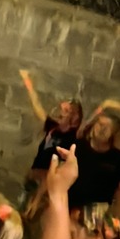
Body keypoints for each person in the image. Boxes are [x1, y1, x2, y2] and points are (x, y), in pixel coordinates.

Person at [19, 70, 83, 205]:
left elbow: (54, 171)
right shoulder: (53, 128)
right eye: (61, 109)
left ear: (74, 119)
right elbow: (37, 106)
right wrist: (28, 82)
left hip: (45, 189)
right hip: (33, 183)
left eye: (66, 111)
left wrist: (37, 198)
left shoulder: (70, 142)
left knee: (33, 213)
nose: (60, 113)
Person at [69, 106, 120, 218]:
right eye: (100, 124)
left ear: (114, 133)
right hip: (70, 209)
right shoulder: (75, 148)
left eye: (108, 127)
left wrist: (117, 218)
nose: (102, 129)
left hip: (99, 215)